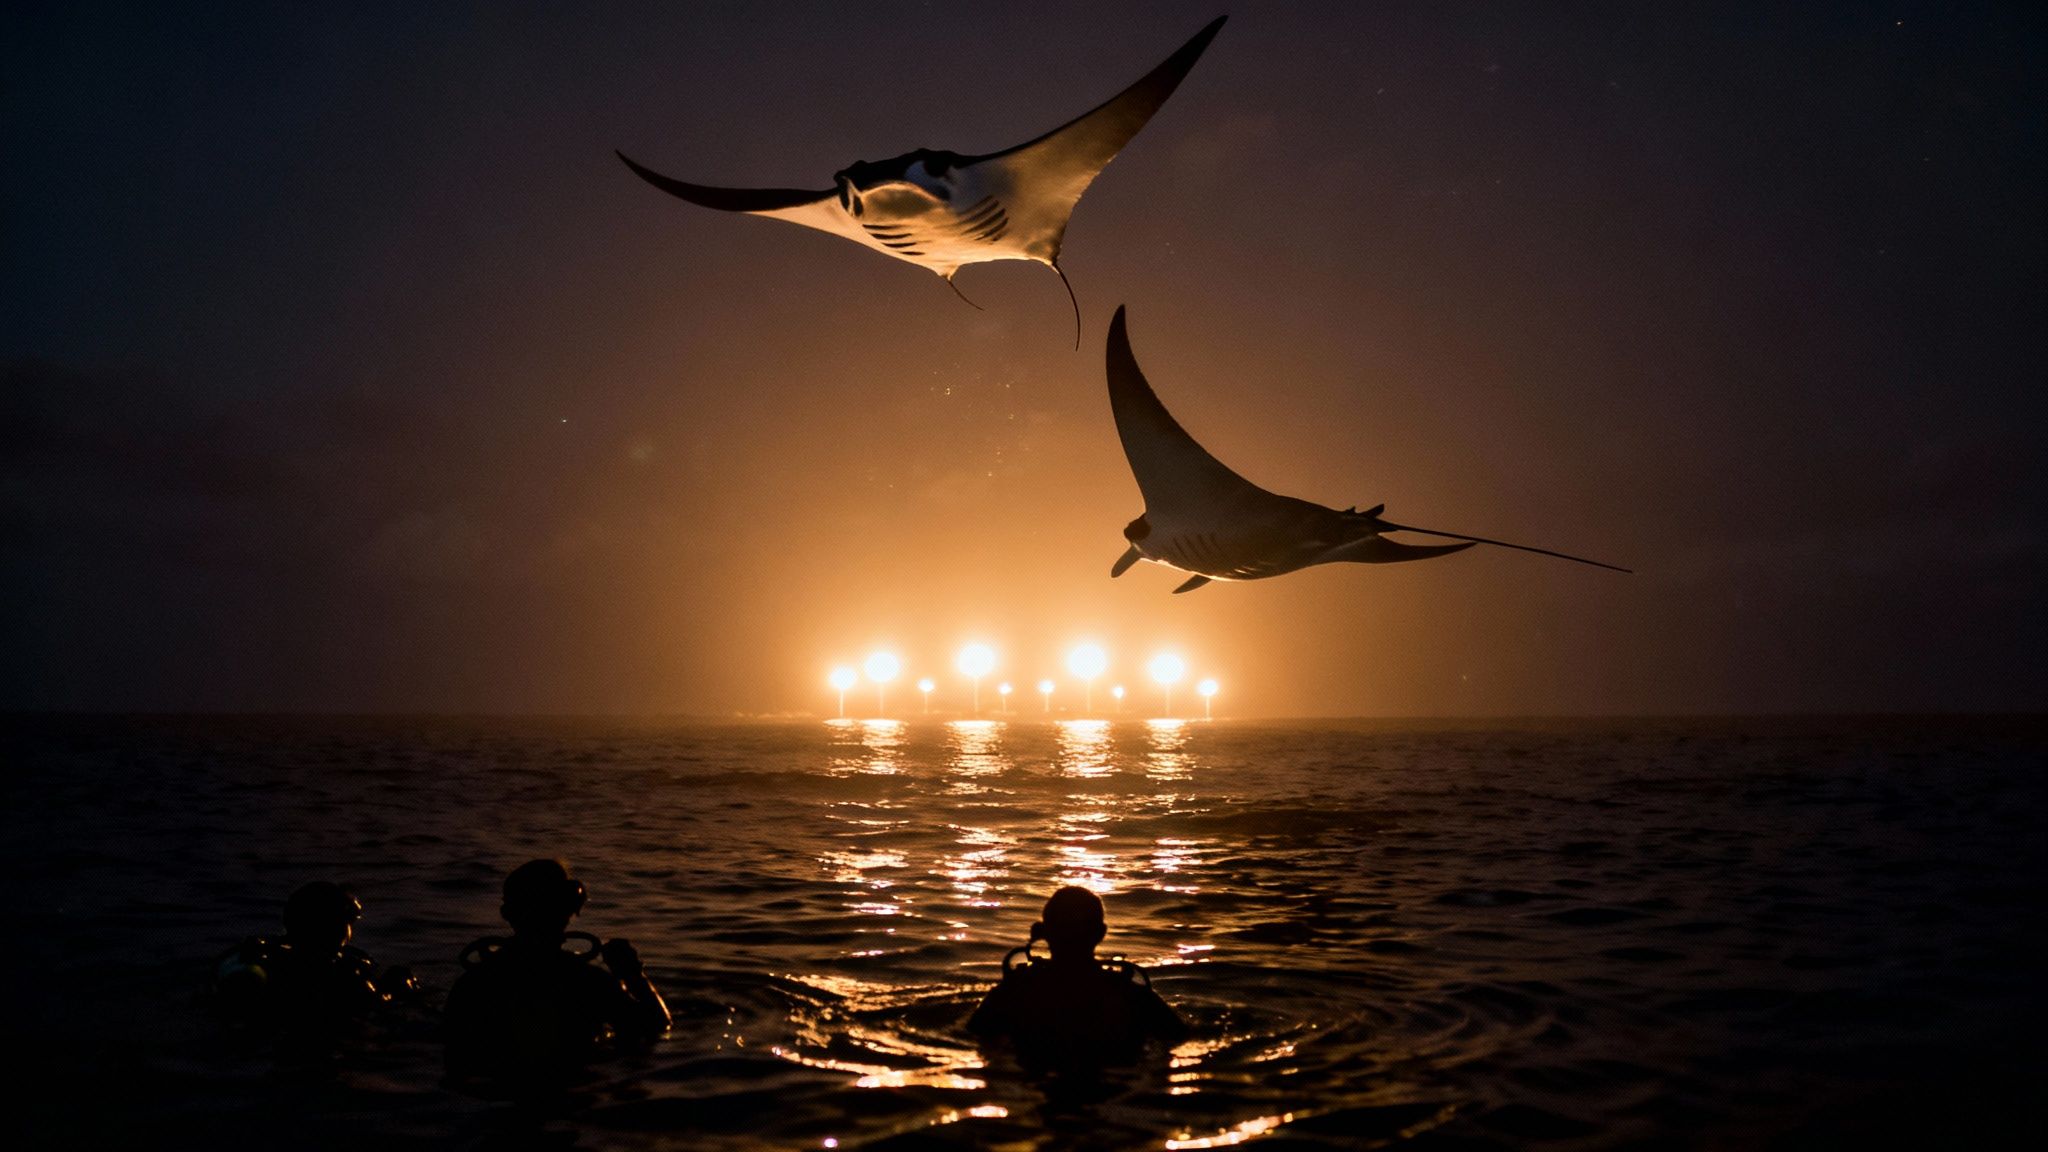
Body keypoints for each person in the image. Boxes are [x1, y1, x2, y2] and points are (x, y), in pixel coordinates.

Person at [444, 858, 671, 1089]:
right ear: (569, 909)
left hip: (499, 1090)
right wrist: (633, 974)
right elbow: (656, 1027)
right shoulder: (588, 982)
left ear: (508, 914)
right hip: (573, 1088)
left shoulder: (474, 984)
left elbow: (453, 1049)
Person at [968, 886, 1187, 1069]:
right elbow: (1179, 1036)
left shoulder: (1014, 992)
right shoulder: (1131, 995)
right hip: (1112, 1083)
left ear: (1044, 932)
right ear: (1101, 933)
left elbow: (974, 1035)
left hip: (1036, 1076)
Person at [210, 880, 414, 1058]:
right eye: (348, 921)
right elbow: (374, 1005)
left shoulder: (264, 954)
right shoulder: (341, 972)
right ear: (335, 925)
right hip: (324, 1029)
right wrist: (397, 987)